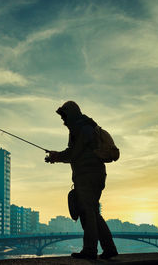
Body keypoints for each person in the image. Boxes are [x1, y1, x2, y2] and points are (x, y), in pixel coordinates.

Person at [45, 101, 118, 260]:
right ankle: (109, 248)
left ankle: (90, 250)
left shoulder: (81, 129)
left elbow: (74, 153)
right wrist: (57, 157)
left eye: (64, 117)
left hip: (87, 176)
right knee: (92, 212)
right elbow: (75, 153)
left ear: (70, 115)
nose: (63, 121)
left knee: (87, 212)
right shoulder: (86, 127)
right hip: (93, 175)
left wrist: (57, 156)